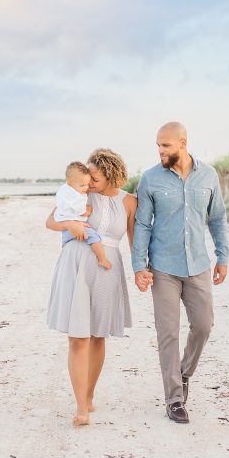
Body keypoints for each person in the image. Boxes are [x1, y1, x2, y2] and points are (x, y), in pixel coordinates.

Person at [132, 121, 229, 424]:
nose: (160, 151)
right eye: (158, 145)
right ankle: (174, 399)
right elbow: (143, 225)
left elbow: (217, 218)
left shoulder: (208, 175)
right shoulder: (149, 179)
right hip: (164, 268)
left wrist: (222, 256)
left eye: (166, 145)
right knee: (168, 333)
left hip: (198, 265)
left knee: (203, 325)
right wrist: (139, 266)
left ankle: (184, 373)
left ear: (183, 143)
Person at [45, 148, 137, 427]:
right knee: (78, 336)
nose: (89, 180)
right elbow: (50, 221)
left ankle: (89, 394)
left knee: (98, 336)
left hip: (109, 268)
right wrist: (71, 225)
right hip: (76, 265)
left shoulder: (130, 201)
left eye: (94, 176)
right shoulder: (80, 195)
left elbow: (135, 241)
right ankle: (80, 406)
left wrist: (142, 272)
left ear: (109, 174)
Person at [55, 161, 112, 270]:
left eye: (87, 183)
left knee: (66, 244)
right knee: (94, 238)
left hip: (65, 231)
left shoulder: (64, 190)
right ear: (70, 182)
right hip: (77, 225)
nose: (86, 187)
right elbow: (81, 211)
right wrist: (88, 210)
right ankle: (102, 259)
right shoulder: (74, 194)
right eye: (82, 185)